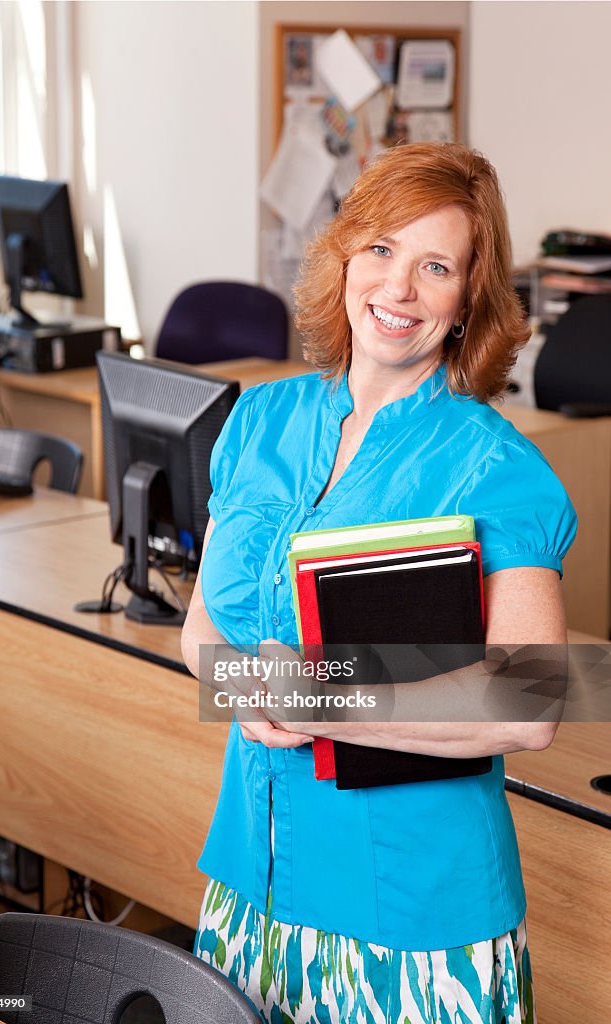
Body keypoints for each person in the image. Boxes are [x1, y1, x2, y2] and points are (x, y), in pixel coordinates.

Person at [182, 143, 577, 1024]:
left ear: (468, 298)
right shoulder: (260, 416)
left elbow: (530, 701)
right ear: (345, 259)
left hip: (411, 916)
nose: (397, 290)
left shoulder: (495, 465)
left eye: (435, 266)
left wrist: (314, 696)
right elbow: (203, 623)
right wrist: (247, 692)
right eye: (381, 251)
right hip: (253, 878)